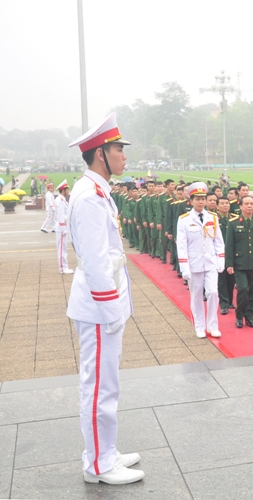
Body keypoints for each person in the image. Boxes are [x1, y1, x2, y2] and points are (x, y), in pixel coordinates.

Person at [67, 113, 144, 484]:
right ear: (100, 154)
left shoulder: (97, 192)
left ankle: (106, 452)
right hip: (100, 307)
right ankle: (98, 464)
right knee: (99, 387)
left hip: (105, 304)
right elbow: (97, 262)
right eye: (118, 149)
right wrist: (112, 308)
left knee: (106, 385)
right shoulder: (90, 197)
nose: (124, 156)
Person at [177, 182, 225, 338]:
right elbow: (182, 246)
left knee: (213, 292)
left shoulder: (213, 217)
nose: (201, 202)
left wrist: (221, 260)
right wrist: (184, 267)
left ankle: (212, 325)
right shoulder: (184, 220)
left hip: (211, 262)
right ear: (191, 201)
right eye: (197, 199)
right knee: (196, 295)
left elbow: (218, 241)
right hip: (194, 264)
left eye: (203, 198)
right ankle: (199, 326)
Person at [226, 195, 253, 328]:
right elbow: (229, 245)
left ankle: (250, 315)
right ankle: (239, 315)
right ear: (241, 206)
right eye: (247, 204)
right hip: (239, 264)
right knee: (243, 289)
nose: (250, 206)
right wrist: (229, 264)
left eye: (252, 204)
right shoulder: (234, 223)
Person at [216, 197, 235, 315]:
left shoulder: (233, 219)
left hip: (232, 253)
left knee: (231, 278)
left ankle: (230, 300)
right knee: (221, 279)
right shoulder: (214, 219)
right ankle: (223, 303)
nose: (225, 205)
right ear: (217, 206)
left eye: (227, 203)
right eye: (222, 204)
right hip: (219, 253)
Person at [54, 180, 73, 274]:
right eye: (67, 189)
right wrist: (63, 228)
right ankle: (63, 268)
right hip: (62, 228)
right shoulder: (60, 200)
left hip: (63, 227)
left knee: (64, 249)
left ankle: (65, 267)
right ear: (63, 190)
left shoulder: (62, 199)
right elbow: (60, 216)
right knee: (62, 249)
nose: (68, 191)